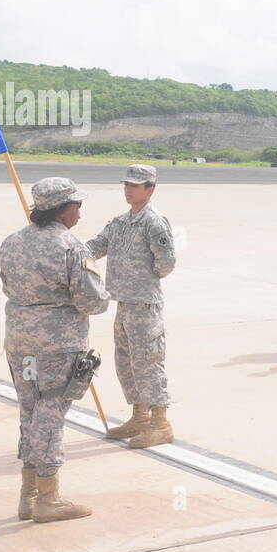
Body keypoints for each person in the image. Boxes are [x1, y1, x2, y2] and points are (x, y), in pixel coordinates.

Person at [2, 177, 110, 523]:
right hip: (58, 344)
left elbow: (7, 286)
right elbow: (93, 301)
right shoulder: (71, 247)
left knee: (30, 411)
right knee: (50, 413)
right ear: (63, 209)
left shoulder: (11, 242)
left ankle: (28, 495)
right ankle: (49, 498)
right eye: (77, 204)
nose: (80, 210)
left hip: (20, 340)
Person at [85, 164, 178, 448]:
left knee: (148, 363)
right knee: (126, 363)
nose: (129, 189)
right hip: (123, 302)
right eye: (126, 184)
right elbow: (95, 246)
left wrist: (145, 279)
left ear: (150, 189)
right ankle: (139, 416)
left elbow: (167, 263)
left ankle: (160, 423)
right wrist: (63, 248)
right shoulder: (120, 222)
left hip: (145, 304)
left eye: (135, 185)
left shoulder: (155, 222)